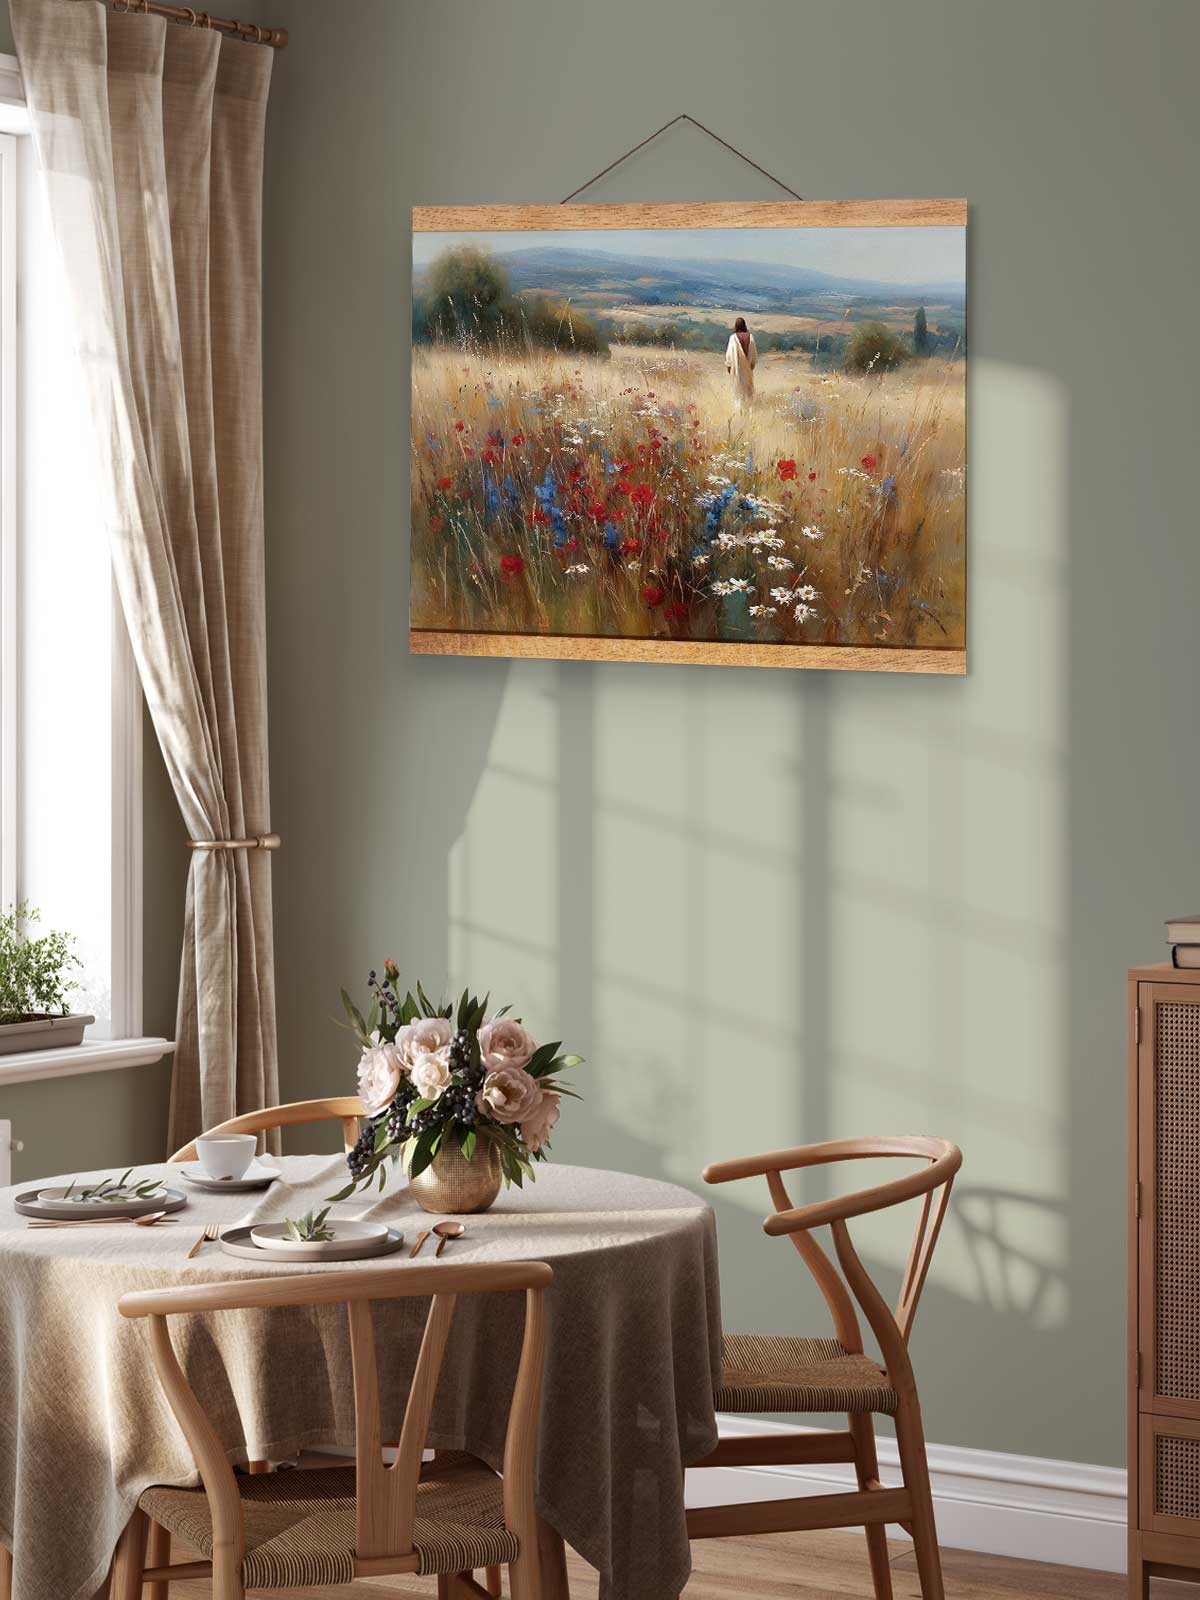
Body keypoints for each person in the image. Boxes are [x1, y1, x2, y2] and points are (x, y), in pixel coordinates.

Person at [725, 315, 757, 408]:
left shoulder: (733, 337)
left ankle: (739, 413)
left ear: (736, 326)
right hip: (747, 369)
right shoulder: (750, 337)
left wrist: (729, 366)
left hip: (737, 369)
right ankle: (749, 411)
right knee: (748, 390)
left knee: (738, 391)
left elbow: (729, 354)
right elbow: (754, 353)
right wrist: (751, 366)